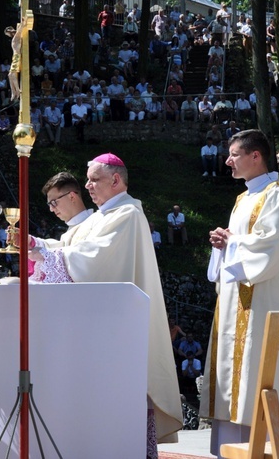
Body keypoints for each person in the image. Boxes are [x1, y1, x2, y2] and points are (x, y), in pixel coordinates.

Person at [28, 153, 182, 452]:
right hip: (99, 325)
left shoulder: (128, 214)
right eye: (87, 180)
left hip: (117, 329)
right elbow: (71, 247)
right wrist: (40, 246)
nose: (88, 186)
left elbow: (93, 260)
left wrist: (48, 256)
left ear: (115, 180)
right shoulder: (102, 217)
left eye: (94, 179)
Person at [200, 130, 279, 454]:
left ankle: (273, 448)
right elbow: (240, 246)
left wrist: (233, 243)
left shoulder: (278, 196)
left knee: (265, 375)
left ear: (256, 156)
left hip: (265, 304)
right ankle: (232, 449)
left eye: (235, 154)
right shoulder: (243, 199)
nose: (227, 161)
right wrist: (223, 243)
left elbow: (274, 247)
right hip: (237, 305)